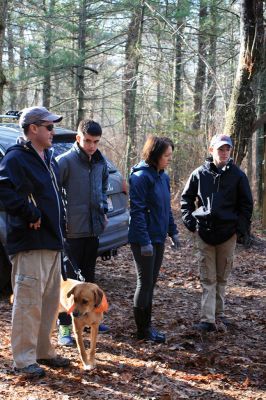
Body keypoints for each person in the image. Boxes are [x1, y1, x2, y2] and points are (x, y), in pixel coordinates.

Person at [0, 106, 70, 378]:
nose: (53, 132)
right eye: (49, 127)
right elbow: (3, 188)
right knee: (28, 303)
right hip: (30, 241)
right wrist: (30, 213)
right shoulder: (16, 157)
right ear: (33, 129)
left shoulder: (48, 158)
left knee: (50, 301)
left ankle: (43, 351)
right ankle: (24, 359)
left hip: (52, 241)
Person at [181, 134, 253, 332]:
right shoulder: (199, 174)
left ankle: (219, 315)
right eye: (220, 149)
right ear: (211, 150)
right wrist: (190, 222)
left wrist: (239, 229)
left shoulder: (238, 175)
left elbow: (246, 205)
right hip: (204, 233)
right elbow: (186, 200)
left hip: (228, 235)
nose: (224, 153)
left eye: (227, 149)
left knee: (222, 277)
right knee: (208, 277)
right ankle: (207, 319)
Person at [56, 119, 110, 346]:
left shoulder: (100, 162)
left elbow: (104, 188)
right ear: (78, 138)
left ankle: (91, 318)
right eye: (87, 141)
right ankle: (65, 329)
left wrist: (104, 211)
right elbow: (53, 194)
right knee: (68, 284)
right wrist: (61, 222)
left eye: (96, 142)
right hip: (71, 232)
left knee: (89, 280)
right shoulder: (64, 162)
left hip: (93, 230)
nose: (91, 146)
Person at [128, 136, 179, 343]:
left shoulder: (163, 177)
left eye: (170, 156)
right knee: (145, 282)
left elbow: (166, 209)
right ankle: (142, 330)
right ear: (155, 155)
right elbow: (137, 212)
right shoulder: (141, 177)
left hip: (158, 237)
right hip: (144, 239)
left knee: (151, 283)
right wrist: (144, 241)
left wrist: (173, 231)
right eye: (166, 155)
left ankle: (147, 327)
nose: (169, 159)